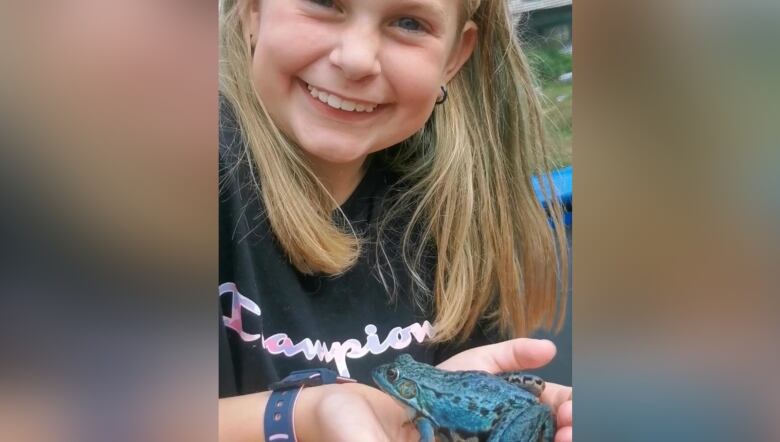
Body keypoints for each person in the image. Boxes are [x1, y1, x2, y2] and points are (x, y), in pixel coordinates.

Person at [218, 0, 573, 441]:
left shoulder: (457, 208)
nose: (356, 58)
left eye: (409, 22)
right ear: (253, 11)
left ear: (454, 58)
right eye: (324, 2)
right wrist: (304, 415)